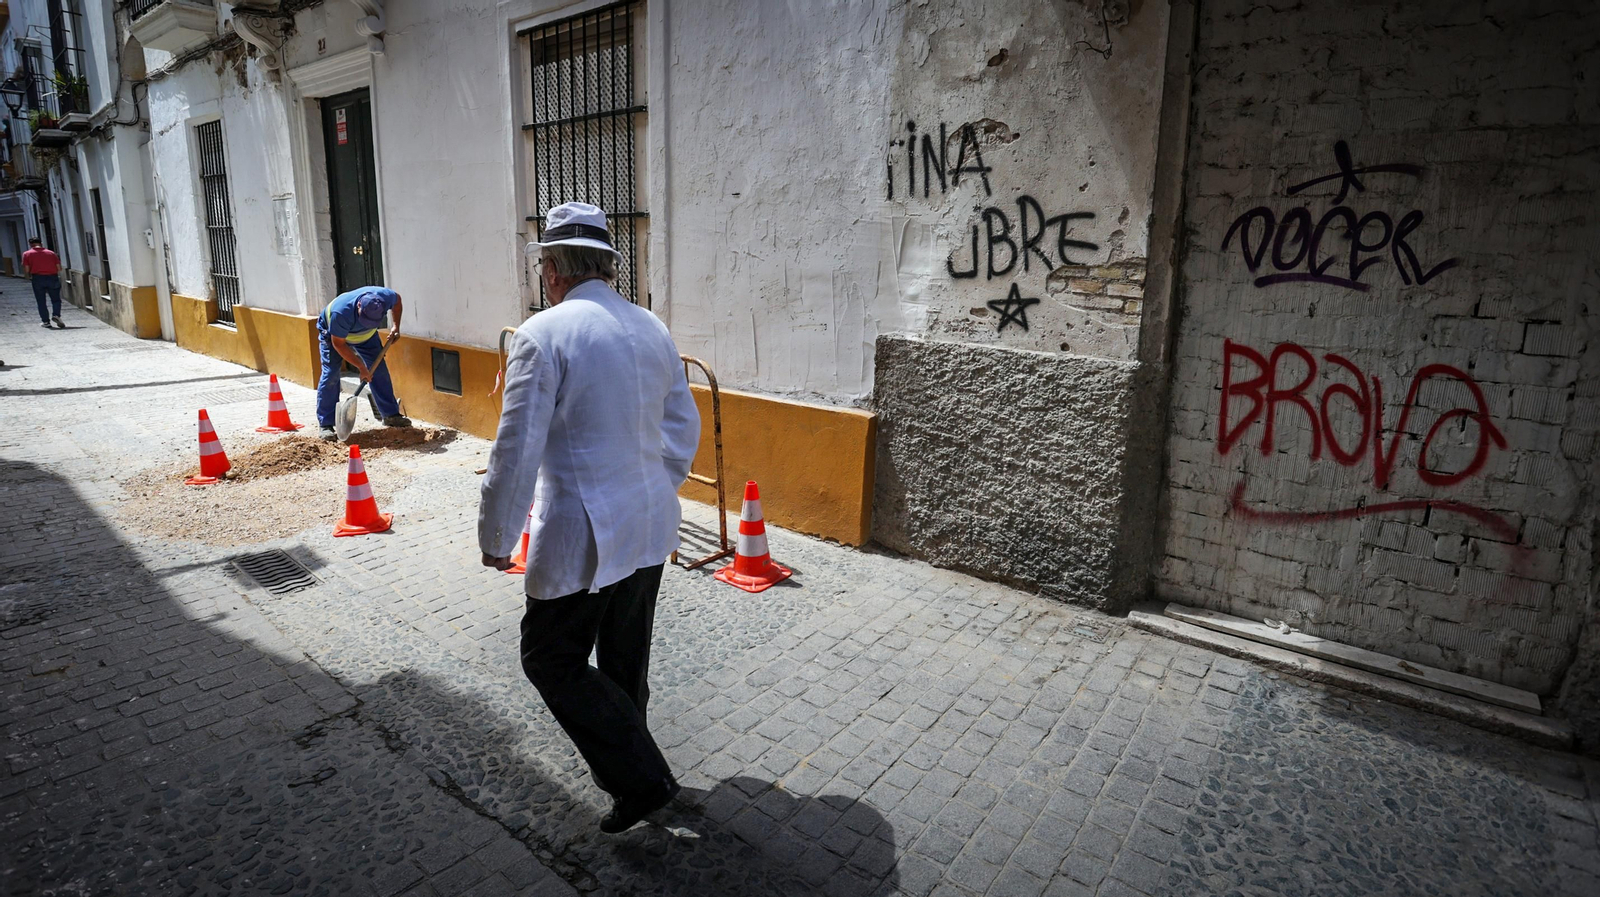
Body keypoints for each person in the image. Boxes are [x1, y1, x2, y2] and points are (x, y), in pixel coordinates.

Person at [478, 202, 700, 834]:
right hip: (649, 520)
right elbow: (682, 425)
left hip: (584, 531)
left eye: (544, 266)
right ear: (605, 264)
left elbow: (516, 446)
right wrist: (656, 484)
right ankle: (633, 779)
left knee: (549, 657)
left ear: (552, 269)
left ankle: (641, 778)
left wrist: (498, 534)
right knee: (624, 658)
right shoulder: (650, 326)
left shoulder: (542, 335)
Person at [315, 285, 411, 440]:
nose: (367, 322)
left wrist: (396, 326)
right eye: (365, 319)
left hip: (366, 337)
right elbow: (339, 344)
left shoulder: (384, 297)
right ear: (359, 306)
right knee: (331, 373)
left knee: (378, 369)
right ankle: (326, 424)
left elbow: (397, 301)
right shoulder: (341, 313)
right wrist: (361, 367)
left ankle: (390, 415)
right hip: (332, 335)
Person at [22, 238, 63, 330]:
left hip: (37, 278)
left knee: (41, 301)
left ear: (30, 244)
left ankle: (46, 322)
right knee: (56, 300)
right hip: (52, 277)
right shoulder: (51, 253)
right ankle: (56, 315)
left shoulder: (27, 254)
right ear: (41, 243)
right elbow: (59, 268)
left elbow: (27, 270)